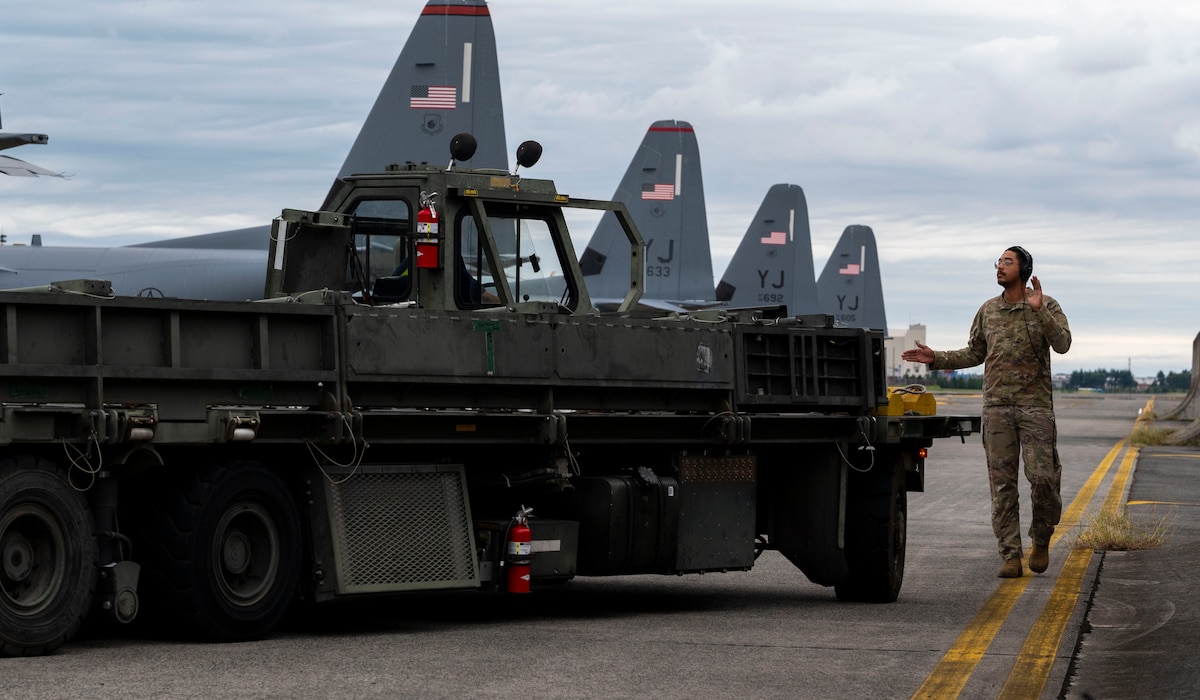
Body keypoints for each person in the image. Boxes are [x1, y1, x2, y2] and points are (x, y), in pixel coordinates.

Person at [902, 246, 1071, 578]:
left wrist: (1040, 312)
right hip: (997, 409)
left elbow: (1063, 343)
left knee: (1043, 480)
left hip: (1035, 408)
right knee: (1002, 486)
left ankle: (1041, 540)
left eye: (1008, 262)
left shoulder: (1046, 304)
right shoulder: (988, 310)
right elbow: (974, 352)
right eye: (999, 262)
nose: (1000, 267)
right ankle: (1010, 554)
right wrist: (936, 358)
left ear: (1024, 270)